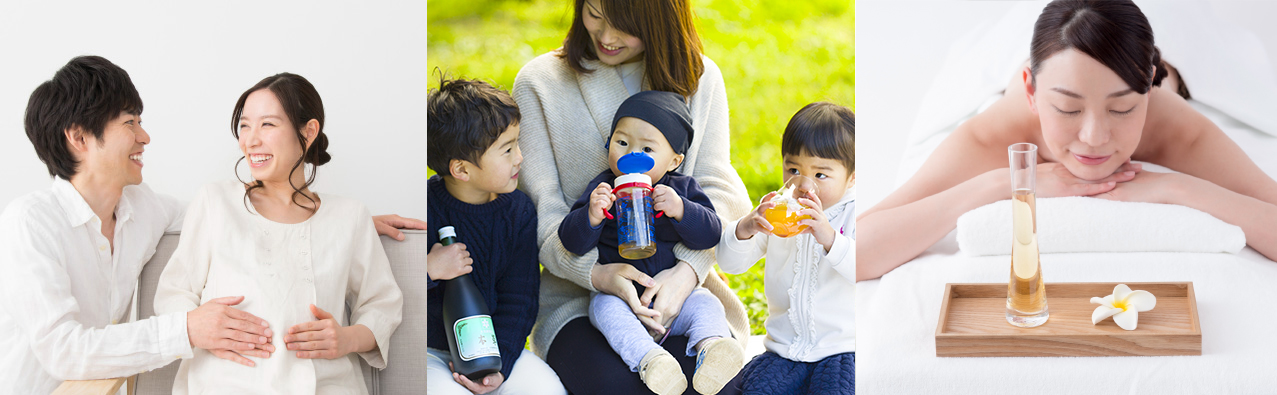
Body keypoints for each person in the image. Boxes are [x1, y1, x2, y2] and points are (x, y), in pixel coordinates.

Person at [857, 0, 1277, 280]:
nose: (1094, 137)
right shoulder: (998, 132)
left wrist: (1178, 187)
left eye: (1122, 109)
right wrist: (1005, 183)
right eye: (1068, 109)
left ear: (1148, 88)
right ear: (1031, 91)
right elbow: (854, 250)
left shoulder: (1174, 128)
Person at [512, 0, 754, 392]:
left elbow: (718, 189)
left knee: (710, 385)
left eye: (625, 24)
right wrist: (596, 274)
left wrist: (687, 273)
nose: (606, 37)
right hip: (581, 300)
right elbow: (543, 212)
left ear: (661, 18)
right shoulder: (540, 83)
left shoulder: (699, 76)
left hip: (680, 292)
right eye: (594, 14)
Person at [154, 73, 404, 394]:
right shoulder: (215, 202)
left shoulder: (350, 216)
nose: (251, 140)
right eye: (244, 125)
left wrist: (346, 338)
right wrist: (201, 330)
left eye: (267, 125)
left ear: (308, 131)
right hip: (225, 383)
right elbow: (174, 292)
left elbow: (382, 302)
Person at [558, 91, 742, 395]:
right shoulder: (602, 189)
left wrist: (682, 210)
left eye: (646, 148)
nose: (631, 153)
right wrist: (591, 215)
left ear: (674, 160)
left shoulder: (681, 189)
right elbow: (571, 242)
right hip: (622, 299)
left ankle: (712, 349)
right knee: (603, 308)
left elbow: (711, 234)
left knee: (706, 302)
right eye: (622, 143)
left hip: (677, 300)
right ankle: (651, 360)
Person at [425, 76, 564, 395]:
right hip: (431, 353)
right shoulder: (423, 208)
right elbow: (388, 289)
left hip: (496, 350)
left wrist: (500, 367)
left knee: (546, 391)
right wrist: (430, 269)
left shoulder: (518, 212)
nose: (520, 157)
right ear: (461, 170)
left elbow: (519, 300)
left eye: (517, 144)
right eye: (507, 150)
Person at [718, 103, 856, 395]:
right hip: (784, 351)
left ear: (852, 177)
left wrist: (830, 237)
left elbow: (869, 269)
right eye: (793, 169)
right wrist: (745, 228)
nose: (804, 184)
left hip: (843, 349)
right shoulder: (779, 214)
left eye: (821, 175)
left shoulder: (856, 215)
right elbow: (731, 264)